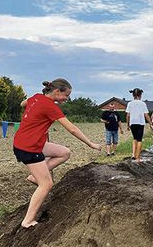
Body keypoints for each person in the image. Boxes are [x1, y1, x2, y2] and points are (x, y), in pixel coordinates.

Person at [13, 78, 101, 228]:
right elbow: (72, 128)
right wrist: (90, 143)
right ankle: (28, 220)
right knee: (46, 184)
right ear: (57, 91)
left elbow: (23, 104)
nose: (67, 99)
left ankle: (34, 176)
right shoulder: (50, 107)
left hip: (29, 142)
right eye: (66, 95)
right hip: (29, 147)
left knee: (64, 152)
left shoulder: (36, 97)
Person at [126, 88, 153, 162]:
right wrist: (150, 123)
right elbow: (146, 115)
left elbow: (128, 115)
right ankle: (138, 157)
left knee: (134, 138)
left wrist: (128, 125)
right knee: (139, 140)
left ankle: (133, 154)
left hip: (132, 123)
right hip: (140, 123)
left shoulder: (130, 103)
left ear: (133, 95)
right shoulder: (143, 104)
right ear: (140, 95)